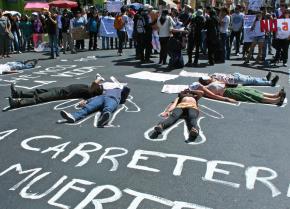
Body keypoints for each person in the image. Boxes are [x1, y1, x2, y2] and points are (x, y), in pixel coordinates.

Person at [60, 79, 131, 127]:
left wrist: (124, 89)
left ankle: (105, 116)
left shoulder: (119, 92)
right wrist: (86, 101)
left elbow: (126, 92)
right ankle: (73, 117)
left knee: (109, 107)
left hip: (112, 98)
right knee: (88, 107)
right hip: (102, 97)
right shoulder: (105, 92)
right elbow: (94, 97)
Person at [8, 76, 104, 109]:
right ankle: (17, 94)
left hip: (61, 94)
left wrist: (99, 80)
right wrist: (98, 79)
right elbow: (95, 81)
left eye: (99, 87)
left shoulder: (90, 92)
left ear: (96, 90)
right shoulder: (90, 89)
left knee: (40, 97)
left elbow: (94, 83)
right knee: (39, 91)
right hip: (61, 89)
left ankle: (17, 103)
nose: (98, 85)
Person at [193, 79, 286, 106]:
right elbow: (214, 96)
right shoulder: (206, 89)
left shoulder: (212, 81)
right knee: (251, 96)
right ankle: (275, 101)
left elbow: (224, 82)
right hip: (228, 92)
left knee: (252, 91)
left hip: (232, 88)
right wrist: (227, 99)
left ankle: (275, 95)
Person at [207, 71, 279, 86]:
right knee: (252, 81)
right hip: (234, 80)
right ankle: (270, 83)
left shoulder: (213, 75)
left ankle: (264, 78)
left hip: (234, 75)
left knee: (250, 77)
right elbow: (219, 83)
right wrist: (211, 79)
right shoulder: (214, 81)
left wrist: (211, 76)